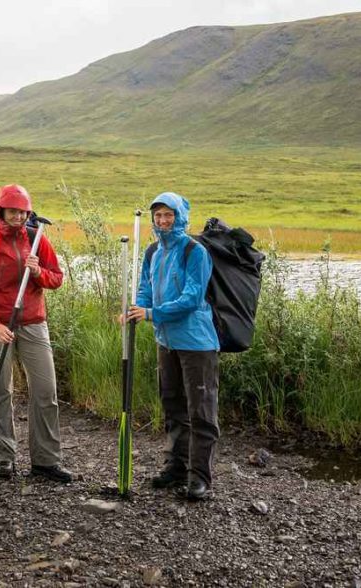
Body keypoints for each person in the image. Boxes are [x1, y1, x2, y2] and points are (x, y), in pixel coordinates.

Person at [0, 184, 73, 483]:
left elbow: (57, 279)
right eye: (13, 211)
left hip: (32, 322)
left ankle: (46, 461)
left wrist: (38, 272)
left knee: (45, 392)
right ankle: (4, 457)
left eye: (23, 211)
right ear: (0, 211)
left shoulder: (38, 239)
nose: (18, 216)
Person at [123, 192, 220, 500]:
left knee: (200, 410)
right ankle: (175, 468)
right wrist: (137, 309)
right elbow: (145, 289)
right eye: (159, 216)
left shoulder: (195, 252)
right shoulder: (152, 251)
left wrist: (151, 313)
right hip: (165, 341)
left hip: (196, 343)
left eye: (169, 215)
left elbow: (191, 299)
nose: (163, 221)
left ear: (180, 217)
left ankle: (199, 476)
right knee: (173, 406)